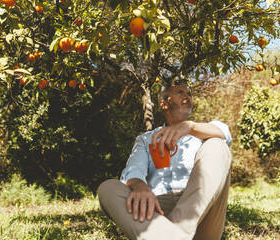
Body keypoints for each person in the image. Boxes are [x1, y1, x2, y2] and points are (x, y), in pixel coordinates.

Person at [98, 79, 232, 240]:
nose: (187, 96)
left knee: (218, 144)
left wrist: (190, 127)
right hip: (156, 212)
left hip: (201, 210)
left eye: (189, 93)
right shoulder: (146, 139)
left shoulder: (203, 132)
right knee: (108, 188)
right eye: (180, 92)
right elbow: (133, 170)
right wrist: (139, 185)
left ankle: (177, 232)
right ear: (164, 104)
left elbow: (224, 133)